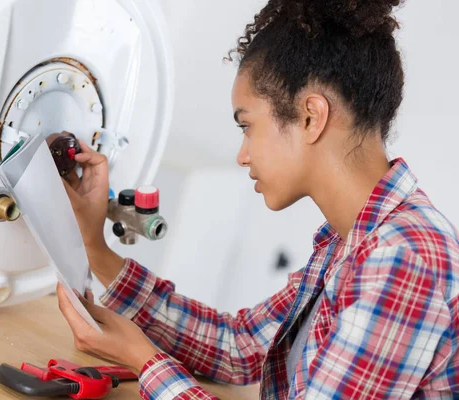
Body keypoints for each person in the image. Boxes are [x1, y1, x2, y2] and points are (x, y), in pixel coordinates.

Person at [55, 0, 459, 398]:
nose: (242, 154)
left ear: (310, 117)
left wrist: (144, 361)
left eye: (247, 126)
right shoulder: (351, 240)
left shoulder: (402, 260)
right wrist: (96, 250)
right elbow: (240, 345)